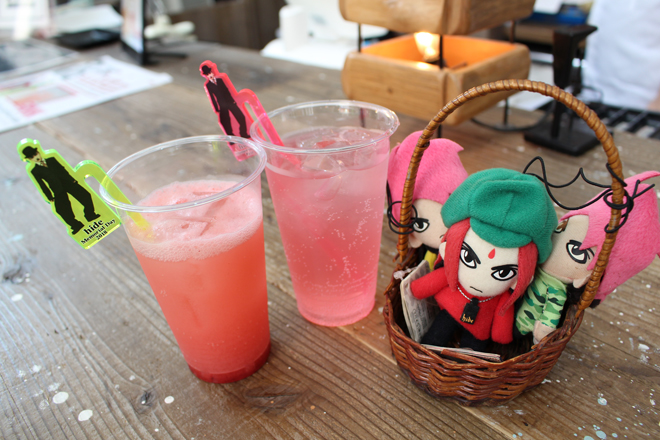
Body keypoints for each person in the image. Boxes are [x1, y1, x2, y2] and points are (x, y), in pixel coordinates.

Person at [22, 144, 100, 235]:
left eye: (35, 154)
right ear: (29, 159)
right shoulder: (35, 171)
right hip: (57, 189)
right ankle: (76, 225)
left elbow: (63, 169)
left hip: (67, 182)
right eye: (32, 157)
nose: (35, 157)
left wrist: (72, 179)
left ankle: (90, 214)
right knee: (61, 209)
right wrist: (49, 196)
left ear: (38, 152)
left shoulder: (51, 160)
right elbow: (41, 184)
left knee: (86, 195)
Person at [200, 63, 250, 138]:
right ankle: (231, 138)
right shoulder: (208, 85)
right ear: (206, 76)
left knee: (241, 117)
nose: (210, 75)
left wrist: (233, 100)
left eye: (210, 73)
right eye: (207, 74)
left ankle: (243, 133)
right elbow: (212, 98)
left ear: (212, 72)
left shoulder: (220, 80)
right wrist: (216, 109)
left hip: (230, 102)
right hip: (222, 106)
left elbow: (227, 90)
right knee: (225, 122)